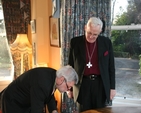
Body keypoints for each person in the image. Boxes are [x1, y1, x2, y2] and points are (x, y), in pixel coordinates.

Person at [68, 17, 116, 112]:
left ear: (100, 31)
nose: (91, 36)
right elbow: (70, 66)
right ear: (85, 28)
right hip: (82, 84)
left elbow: (111, 67)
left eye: (95, 34)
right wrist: (68, 88)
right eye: (89, 33)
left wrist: (112, 87)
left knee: (99, 111)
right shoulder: (75, 42)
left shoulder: (106, 43)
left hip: (100, 85)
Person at [0, 65, 78, 113]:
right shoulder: (42, 84)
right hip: (14, 101)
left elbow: (50, 94)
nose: (68, 90)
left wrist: (53, 110)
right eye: (68, 87)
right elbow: (36, 110)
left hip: (26, 101)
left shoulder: (54, 76)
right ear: (62, 79)